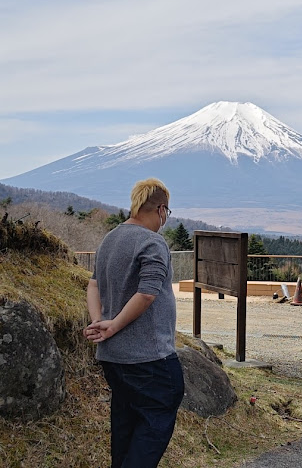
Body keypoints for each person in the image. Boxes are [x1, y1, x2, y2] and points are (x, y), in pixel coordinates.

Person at [84, 178, 184, 468]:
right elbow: (147, 294)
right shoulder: (153, 242)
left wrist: (98, 321)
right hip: (151, 359)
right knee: (152, 431)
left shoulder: (110, 238)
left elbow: (93, 286)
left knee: (125, 429)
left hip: (113, 358)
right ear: (162, 210)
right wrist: (112, 324)